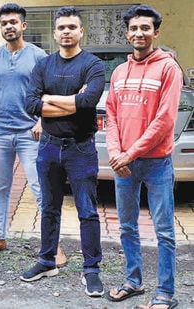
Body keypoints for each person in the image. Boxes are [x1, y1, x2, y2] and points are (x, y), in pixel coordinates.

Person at [20, 7, 105, 298]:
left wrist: (49, 98)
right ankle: (47, 261)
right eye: (62, 27)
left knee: (87, 211)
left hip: (81, 148)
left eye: (72, 27)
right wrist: (73, 99)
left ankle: (91, 269)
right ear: (55, 33)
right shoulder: (43, 66)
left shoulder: (92, 64)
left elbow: (89, 101)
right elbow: (30, 104)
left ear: (81, 31)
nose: (66, 31)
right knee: (49, 208)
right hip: (49, 147)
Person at [0, 2, 66, 266]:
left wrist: (42, 119)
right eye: (4, 23)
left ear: (23, 25)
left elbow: (51, 92)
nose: (8, 26)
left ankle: (53, 245)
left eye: (13, 22)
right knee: (1, 187)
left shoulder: (38, 56)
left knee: (39, 189)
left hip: (29, 134)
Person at [104, 5, 183, 309]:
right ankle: (133, 281)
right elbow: (110, 113)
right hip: (124, 164)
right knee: (126, 226)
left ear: (155, 32)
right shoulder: (120, 71)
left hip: (156, 163)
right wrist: (115, 153)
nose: (139, 33)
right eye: (134, 28)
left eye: (145, 28)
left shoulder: (168, 68)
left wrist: (129, 153)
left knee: (163, 231)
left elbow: (164, 121)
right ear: (127, 33)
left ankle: (165, 293)